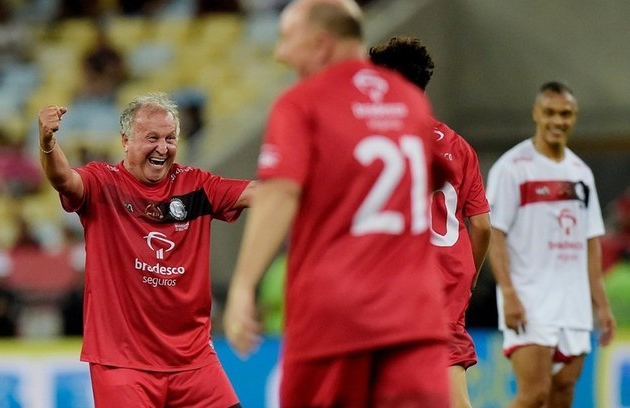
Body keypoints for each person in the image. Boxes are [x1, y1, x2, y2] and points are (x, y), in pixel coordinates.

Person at [223, 1, 450, 407]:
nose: (281, 54)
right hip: (415, 316)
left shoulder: (301, 103)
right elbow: (434, 180)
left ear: (322, 44)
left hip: (334, 318)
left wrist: (242, 286)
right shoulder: (412, 103)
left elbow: (279, 193)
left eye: (287, 39)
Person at [37, 91, 254, 407]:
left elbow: (260, 194)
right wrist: (47, 143)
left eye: (170, 138)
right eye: (152, 138)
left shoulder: (197, 185)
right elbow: (63, 180)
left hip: (193, 360)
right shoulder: (103, 183)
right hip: (123, 363)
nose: (163, 148)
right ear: (125, 141)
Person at [369, 36, 491, 408]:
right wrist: (467, 279)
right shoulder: (458, 145)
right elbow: (482, 226)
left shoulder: (377, 141)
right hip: (447, 282)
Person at [486, 81, 616, 408]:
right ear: (536, 114)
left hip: (572, 304)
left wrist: (601, 305)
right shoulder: (512, 168)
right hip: (530, 298)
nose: (558, 121)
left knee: (563, 392)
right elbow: (494, 233)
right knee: (535, 394)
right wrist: (510, 293)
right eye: (550, 113)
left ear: (575, 117)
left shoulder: (581, 173)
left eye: (565, 114)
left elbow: (590, 242)